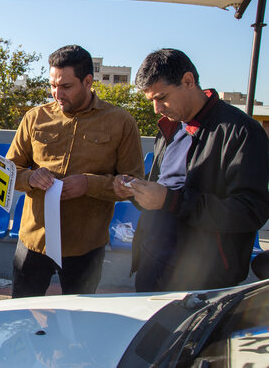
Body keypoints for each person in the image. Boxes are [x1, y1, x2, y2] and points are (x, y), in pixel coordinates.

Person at [114, 48, 269, 291]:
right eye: (151, 100)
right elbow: (162, 190)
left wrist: (171, 200)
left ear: (188, 81)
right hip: (151, 263)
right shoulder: (169, 127)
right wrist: (136, 193)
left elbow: (251, 211)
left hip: (203, 276)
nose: (156, 108)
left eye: (161, 97)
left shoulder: (241, 131)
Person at [7, 45, 144, 297]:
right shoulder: (34, 117)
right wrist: (30, 177)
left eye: (66, 86)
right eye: (52, 85)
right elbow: (8, 171)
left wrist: (89, 184)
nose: (57, 94)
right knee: (21, 317)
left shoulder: (121, 122)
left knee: (77, 322)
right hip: (35, 241)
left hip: (85, 246)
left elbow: (133, 184)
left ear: (88, 81)